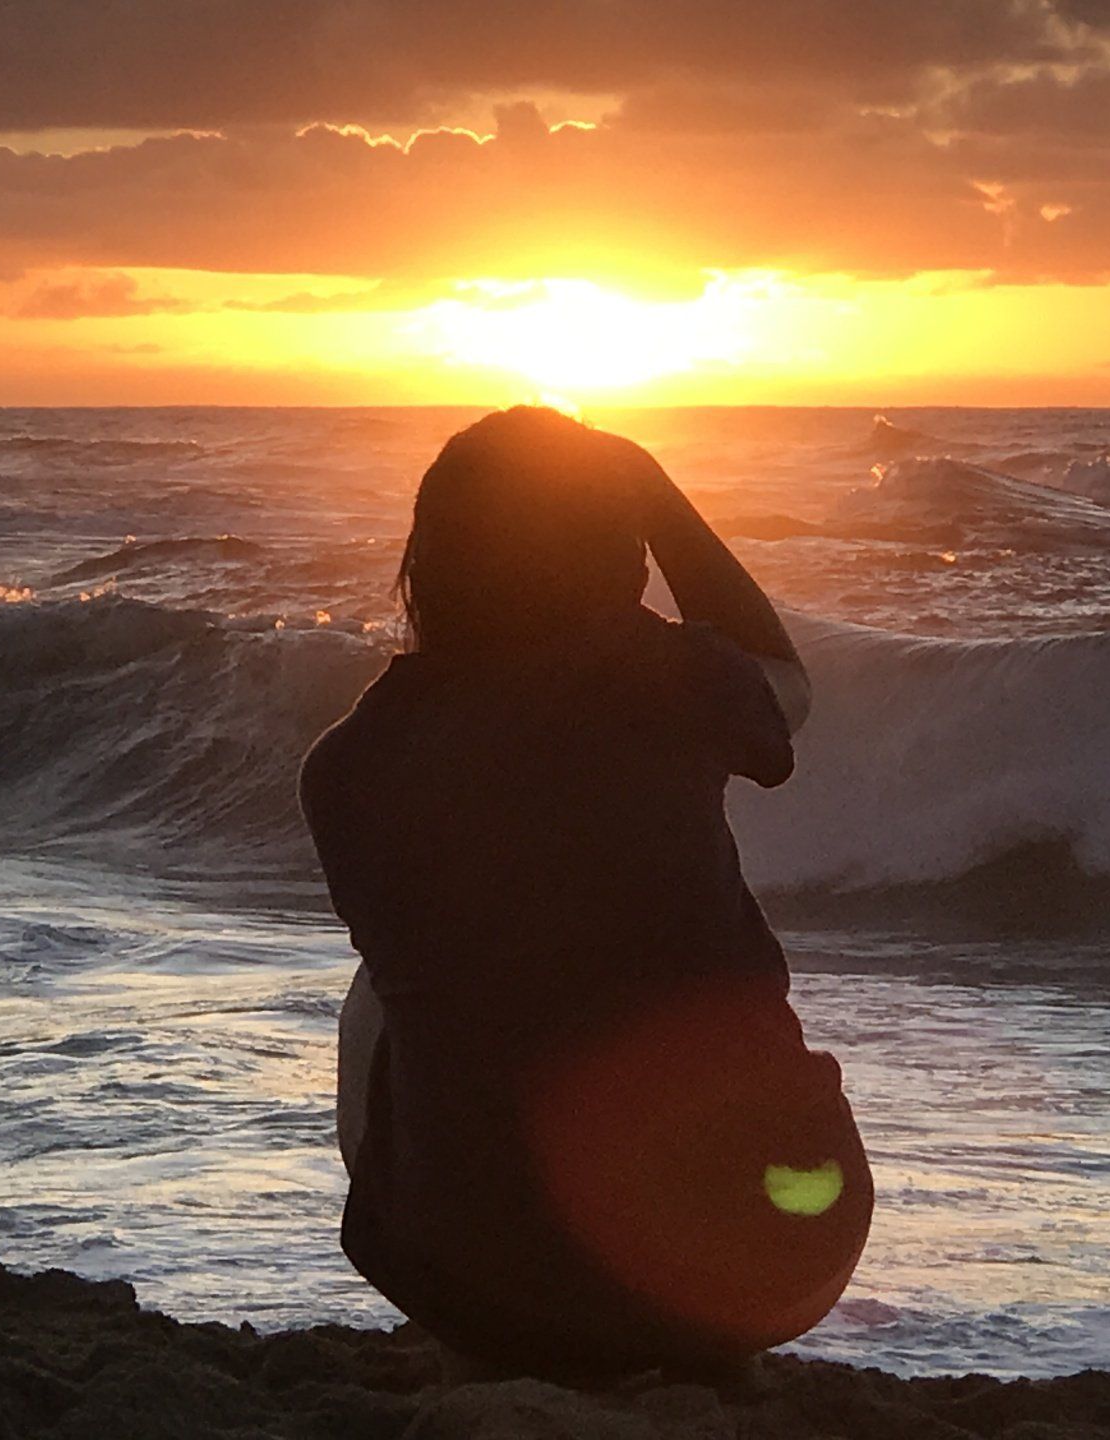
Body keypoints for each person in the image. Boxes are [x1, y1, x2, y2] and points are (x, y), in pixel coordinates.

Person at [301, 406, 872, 1381]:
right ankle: (665, 1312)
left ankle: (522, 1264)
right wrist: (654, 488)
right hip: (775, 1257)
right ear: (618, 553)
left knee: (393, 985)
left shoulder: (347, 766)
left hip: (489, 1298)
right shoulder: (662, 677)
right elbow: (790, 688)